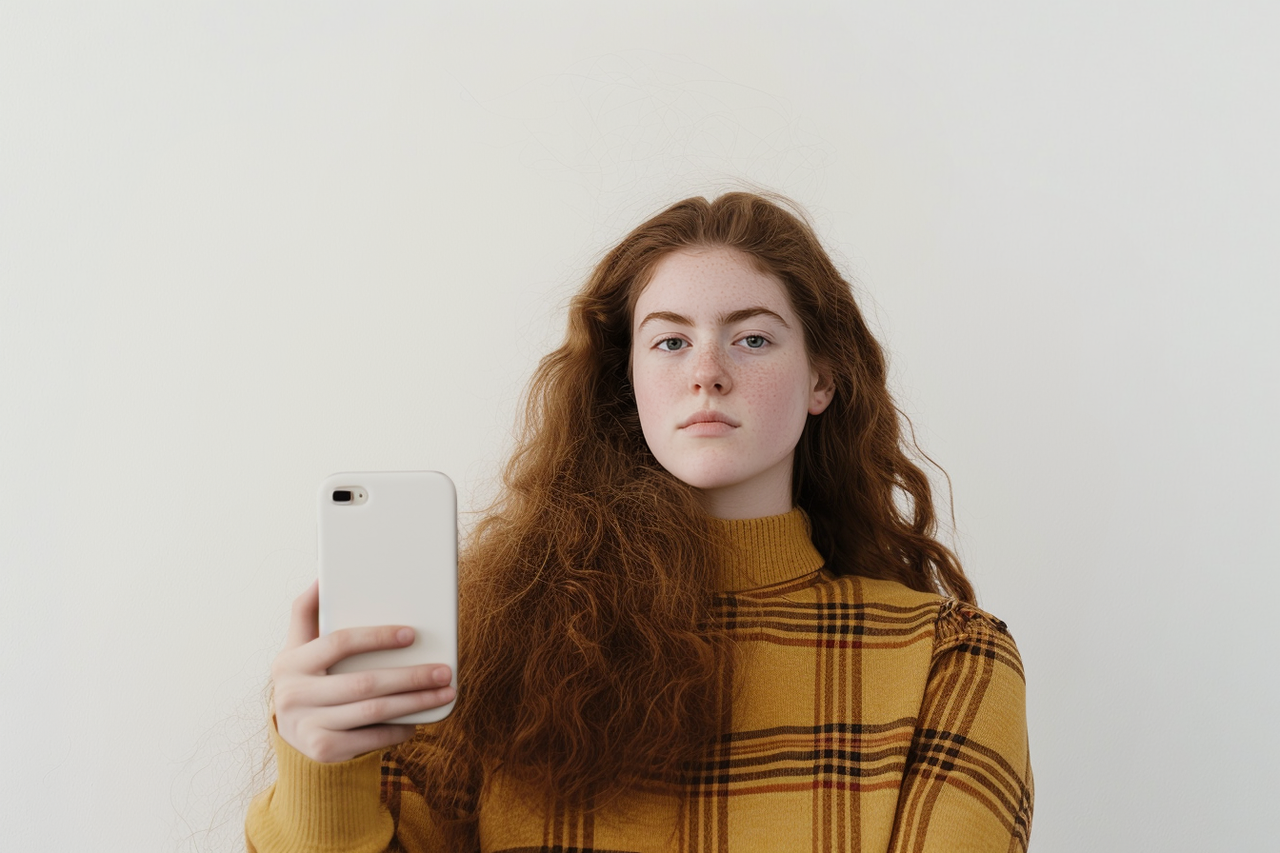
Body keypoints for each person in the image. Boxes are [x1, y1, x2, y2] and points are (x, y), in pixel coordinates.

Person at [245, 192, 1033, 852]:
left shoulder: (946, 658)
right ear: (628, 380)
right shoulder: (491, 645)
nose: (706, 372)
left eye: (752, 337)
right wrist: (319, 771)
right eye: (669, 340)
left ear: (822, 378)